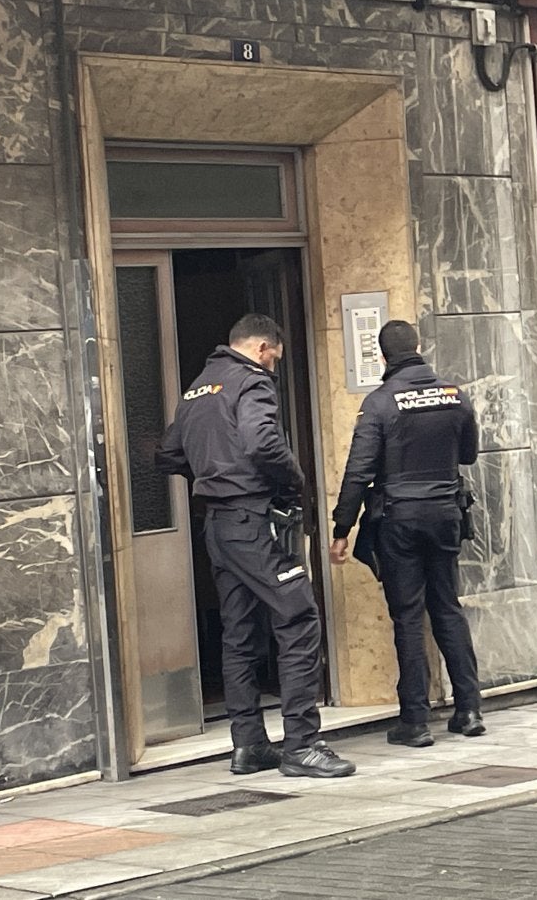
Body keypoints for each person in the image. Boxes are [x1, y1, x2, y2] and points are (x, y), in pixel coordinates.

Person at [155, 313, 355, 779]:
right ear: (264, 348)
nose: (274, 367)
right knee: (300, 617)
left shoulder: (200, 386)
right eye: (275, 359)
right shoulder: (252, 382)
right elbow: (264, 441)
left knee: (239, 634)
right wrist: (293, 485)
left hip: (218, 527)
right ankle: (303, 744)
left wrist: (213, 479)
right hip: (251, 523)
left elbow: (166, 454)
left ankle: (248, 746)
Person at [329, 319, 486, 748]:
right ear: (418, 346)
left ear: (382, 356)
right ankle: (469, 710)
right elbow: (468, 455)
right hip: (446, 515)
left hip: (399, 520)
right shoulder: (455, 395)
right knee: (448, 608)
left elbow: (359, 471)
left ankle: (415, 721)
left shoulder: (379, 404)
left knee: (409, 617)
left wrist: (342, 529)